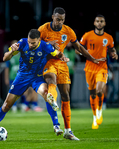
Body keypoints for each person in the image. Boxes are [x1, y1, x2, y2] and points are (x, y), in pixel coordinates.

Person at [38, 7, 106, 140]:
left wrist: (92, 58)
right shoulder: (43, 29)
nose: (59, 22)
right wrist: (46, 43)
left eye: (62, 20)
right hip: (47, 62)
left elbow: (79, 47)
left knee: (66, 95)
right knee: (51, 80)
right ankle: (52, 99)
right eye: (58, 19)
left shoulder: (68, 31)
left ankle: (68, 131)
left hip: (62, 64)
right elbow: (33, 44)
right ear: (52, 17)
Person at [0, 29, 69, 132]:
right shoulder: (22, 43)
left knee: (47, 94)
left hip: (37, 77)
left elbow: (57, 53)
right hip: (22, 77)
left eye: (33, 43)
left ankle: (56, 126)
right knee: (6, 105)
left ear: (39, 40)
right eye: (29, 42)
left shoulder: (45, 46)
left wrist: (63, 57)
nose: (30, 44)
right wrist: (12, 51)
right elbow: (5, 58)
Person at [76, 15, 118, 129]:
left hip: (102, 67)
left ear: (104, 24)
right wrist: (85, 54)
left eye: (101, 21)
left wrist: (114, 53)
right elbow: (77, 49)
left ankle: (100, 110)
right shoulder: (87, 35)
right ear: (94, 23)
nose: (99, 23)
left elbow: (111, 49)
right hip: (89, 69)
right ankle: (95, 117)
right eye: (97, 21)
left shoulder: (108, 37)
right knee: (92, 94)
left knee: (100, 90)